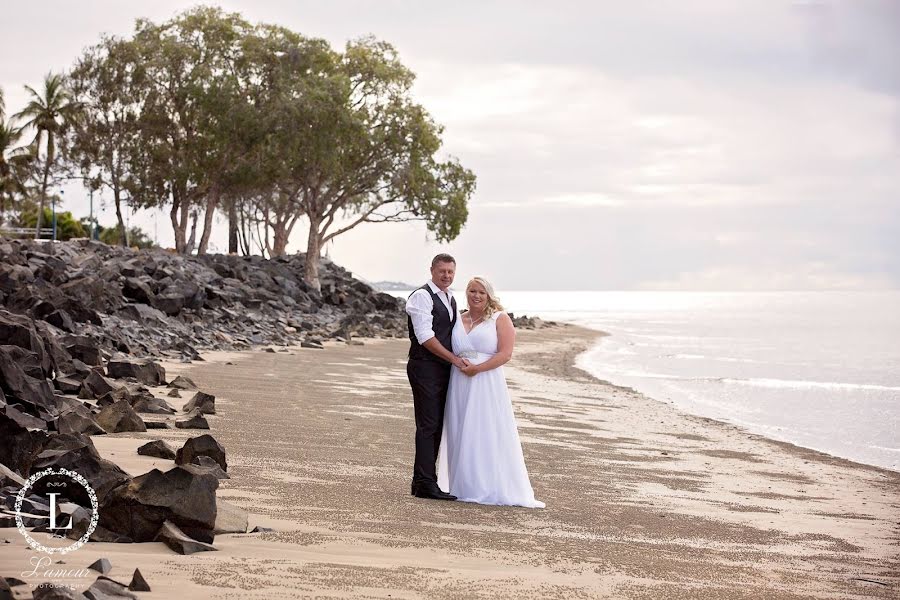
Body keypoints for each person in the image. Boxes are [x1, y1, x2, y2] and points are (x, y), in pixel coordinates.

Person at [437, 277, 545, 508]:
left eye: (481, 293)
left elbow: (505, 354)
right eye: (472, 291)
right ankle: (462, 485)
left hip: (485, 380)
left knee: (485, 429)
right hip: (459, 381)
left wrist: (478, 368)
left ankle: (487, 485)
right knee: (460, 429)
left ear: (489, 296)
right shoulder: (458, 318)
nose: (476, 296)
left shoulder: (500, 318)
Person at [405, 253, 470, 500]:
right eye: (442, 271)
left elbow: (451, 334)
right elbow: (425, 337)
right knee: (428, 425)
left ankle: (422, 481)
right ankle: (424, 482)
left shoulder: (450, 297)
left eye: (451, 272)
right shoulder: (422, 296)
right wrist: (454, 359)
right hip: (424, 367)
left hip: (442, 370)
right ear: (432, 270)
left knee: (437, 425)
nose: (447, 276)